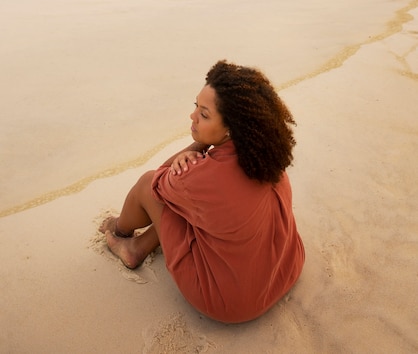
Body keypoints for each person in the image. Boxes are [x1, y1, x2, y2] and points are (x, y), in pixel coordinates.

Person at [100, 60, 304, 323]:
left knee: (148, 183)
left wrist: (195, 147)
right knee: (190, 205)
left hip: (232, 303)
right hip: (286, 268)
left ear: (232, 128)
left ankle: (119, 230)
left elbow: (154, 185)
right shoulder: (265, 156)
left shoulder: (203, 177)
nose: (193, 117)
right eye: (196, 107)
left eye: (204, 114)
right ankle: (138, 247)